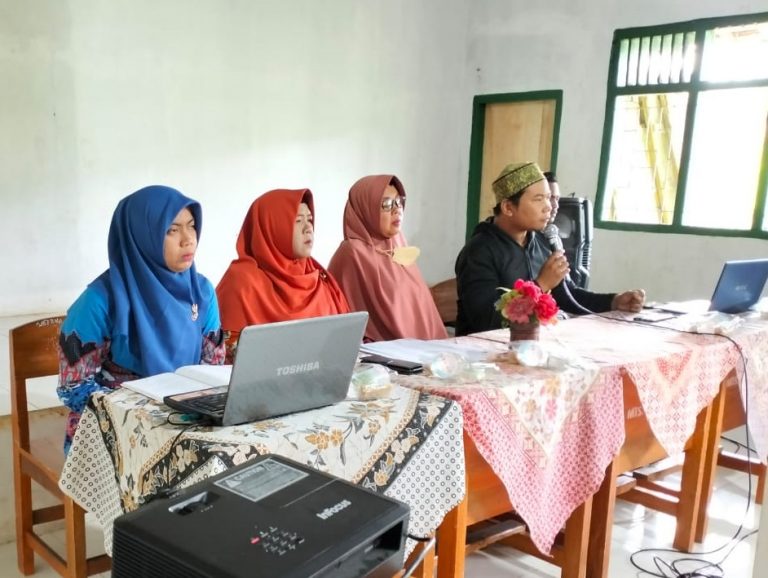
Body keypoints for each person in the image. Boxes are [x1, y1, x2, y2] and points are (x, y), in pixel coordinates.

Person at [57, 186, 225, 453]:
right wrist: (145, 416)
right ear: (141, 235)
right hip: (112, 427)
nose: (188, 239)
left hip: (186, 417)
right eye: (172, 230)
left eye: (191, 226)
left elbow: (213, 369)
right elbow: (73, 388)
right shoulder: (100, 299)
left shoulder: (202, 292)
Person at [455, 162, 645, 336]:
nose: (548, 207)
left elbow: (569, 295)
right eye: (538, 199)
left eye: (549, 198)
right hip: (483, 357)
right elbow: (485, 322)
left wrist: (613, 302)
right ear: (508, 207)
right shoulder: (479, 252)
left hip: (532, 348)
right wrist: (541, 285)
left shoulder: (541, 242)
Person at [216, 189, 349, 360]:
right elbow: (227, 359)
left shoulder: (318, 278)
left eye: (310, 220)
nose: (308, 228)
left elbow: (345, 340)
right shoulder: (241, 282)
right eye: (298, 221)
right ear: (272, 226)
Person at [328, 174, 447, 342]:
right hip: (383, 356)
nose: (397, 210)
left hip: (423, 349)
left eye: (399, 202)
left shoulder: (398, 243)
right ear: (366, 209)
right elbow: (342, 320)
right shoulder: (352, 253)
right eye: (386, 204)